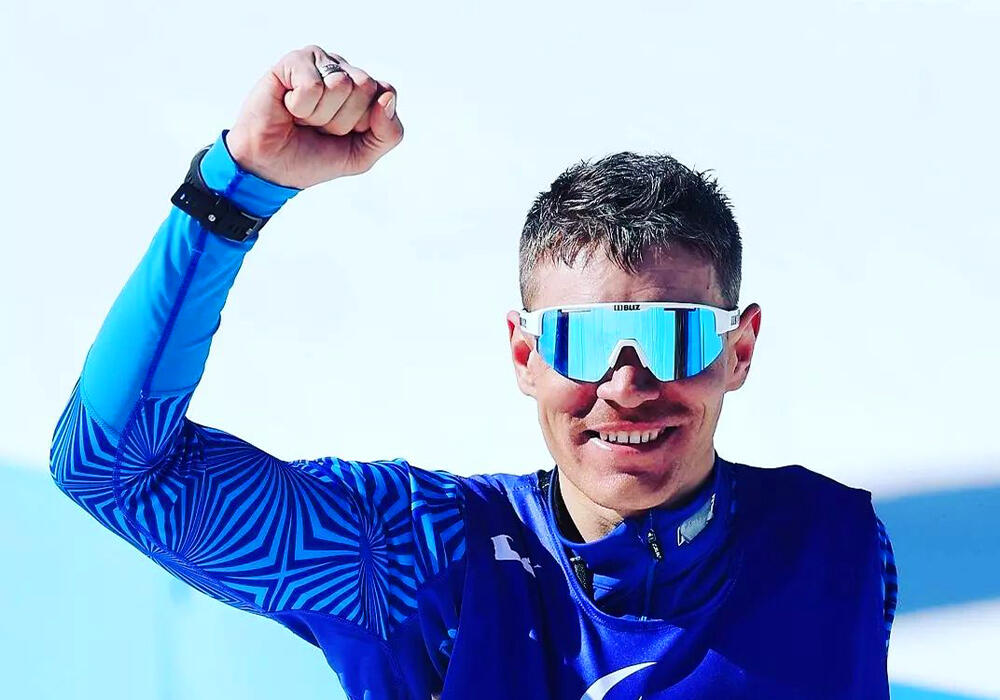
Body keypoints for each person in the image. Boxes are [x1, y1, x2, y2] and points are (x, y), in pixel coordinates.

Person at [50, 44, 897, 699]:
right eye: (583, 341)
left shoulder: (839, 546)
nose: (627, 385)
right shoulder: (420, 559)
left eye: (675, 336)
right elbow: (110, 467)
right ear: (525, 356)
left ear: (738, 350)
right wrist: (238, 188)